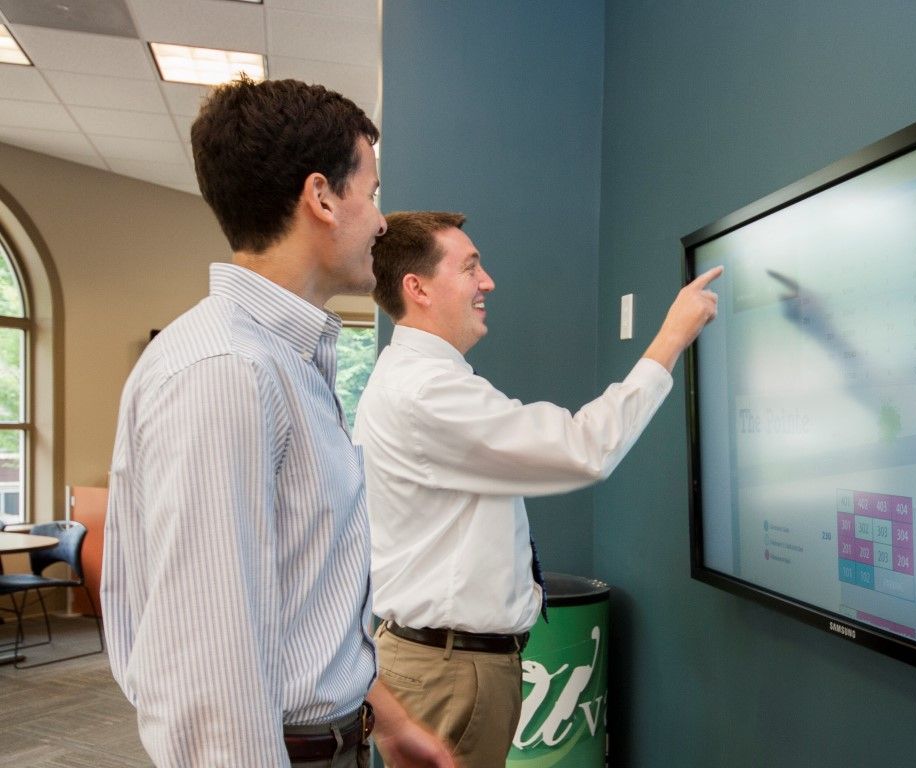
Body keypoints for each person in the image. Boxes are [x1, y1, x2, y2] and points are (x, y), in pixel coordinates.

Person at [102, 78, 455, 768]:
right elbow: (212, 671)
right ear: (322, 196)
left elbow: (299, 599)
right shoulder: (228, 371)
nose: (383, 221)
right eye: (372, 192)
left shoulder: (284, 361)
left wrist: (385, 719)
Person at [353, 211, 722, 765]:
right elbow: (584, 448)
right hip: (451, 673)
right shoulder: (426, 392)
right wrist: (671, 339)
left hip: (440, 663)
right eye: (470, 268)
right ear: (418, 288)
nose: (487, 282)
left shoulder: (414, 378)